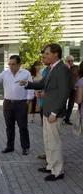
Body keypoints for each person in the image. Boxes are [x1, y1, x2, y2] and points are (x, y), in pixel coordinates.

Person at [19, 44, 71, 181]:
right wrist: (27, 84)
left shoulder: (63, 69)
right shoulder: (50, 69)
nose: (44, 56)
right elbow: (42, 83)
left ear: (56, 54)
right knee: (48, 141)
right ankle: (50, 165)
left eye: (47, 54)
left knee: (55, 142)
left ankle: (58, 171)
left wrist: (55, 112)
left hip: (54, 112)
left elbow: (64, 93)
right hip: (47, 110)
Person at [0, 55, 34, 155]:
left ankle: (25, 147)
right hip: (8, 104)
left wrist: (28, 100)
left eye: (13, 64)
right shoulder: (6, 73)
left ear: (19, 64)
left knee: (23, 127)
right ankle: (10, 147)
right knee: (9, 127)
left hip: (21, 104)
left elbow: (30, 87)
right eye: (10, 64)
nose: (11, 66)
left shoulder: (26, 73)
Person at [64, 55, 79, 125]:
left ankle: (67, 119)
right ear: (66, 61)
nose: (70, 62)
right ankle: (61, 117)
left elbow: (79, 77)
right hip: (65, 89)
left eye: (72, 61)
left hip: (73, 89)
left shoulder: (77, 68)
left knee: (71, 104)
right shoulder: (64, 68)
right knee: (62, 103)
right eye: (69, 61)